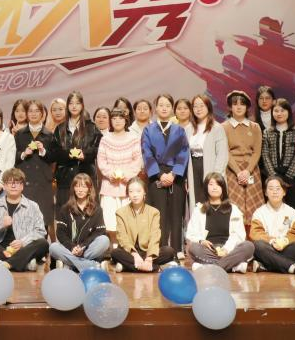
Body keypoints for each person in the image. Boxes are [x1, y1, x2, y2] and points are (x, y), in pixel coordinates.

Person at [141, 94, 189, 253]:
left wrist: (173, 174)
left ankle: (176, 250)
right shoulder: (148, 129)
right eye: (161, 105)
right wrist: (160, 175)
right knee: (158, 214)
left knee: (176, 214)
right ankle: (159, 251)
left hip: (176, 176)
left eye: (168, 105)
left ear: (172, 109)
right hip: (156, 175)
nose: (164, 108)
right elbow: (147, 154)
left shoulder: (179, 130)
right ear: (155, 108)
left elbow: (184, 153)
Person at [0, 167, 49, 271]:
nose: (13, 185)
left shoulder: (32, 206)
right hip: (1, 249)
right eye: (9, 183)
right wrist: (1, 225)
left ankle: (6, 264)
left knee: (43, 244)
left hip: (24, 248)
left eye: (17, 182)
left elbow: (41, 231)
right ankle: (23, 263)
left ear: (22, 186)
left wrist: (23, 242)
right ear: (4, 186)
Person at [185, 173, 255, 272]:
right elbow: (190, 234)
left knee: (249, 246)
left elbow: (239, 235)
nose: (214, 187)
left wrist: (226, 249)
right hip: (208, 250)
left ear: (223, 188)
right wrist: (201, 241)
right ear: (206, 187)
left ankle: (209, 266)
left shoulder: (233, 209)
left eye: (218, 184)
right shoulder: (199, 209)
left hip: (229, 250)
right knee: (194, 248)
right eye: (211, 184)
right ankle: (233, 267)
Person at [111, 177, 177, 272]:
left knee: (169, 251)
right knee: (115, 253)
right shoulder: (120, 212)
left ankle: (126, 267)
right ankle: (156, 268)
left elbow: (155, 236)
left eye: (138, 191)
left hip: (147, 252)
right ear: (128, 194)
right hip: (130, 252)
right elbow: (122, 237)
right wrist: (134, 254)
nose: (135, 195)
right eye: (131, 191)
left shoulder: (154, 212)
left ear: (144, 192)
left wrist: (149, 257)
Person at [250, 176, 295, 274]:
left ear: (284, 192)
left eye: (278, 189)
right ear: (265, 192)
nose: (274, 192)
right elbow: (256, 233)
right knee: (258, 246)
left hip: (286, 248)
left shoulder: (292, 212)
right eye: (271, 189)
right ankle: (293, 267)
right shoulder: (259, 212)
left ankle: (266, 266)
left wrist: (285, 241)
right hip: (268, 247)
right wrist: (272, 241)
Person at [97, 108, 142, 240]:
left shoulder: (133, 138)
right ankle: (113, 246)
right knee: (110, 221)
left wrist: (125, 175)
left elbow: (137, 160)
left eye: (120, 118)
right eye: (114, 118)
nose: (117, 121)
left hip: (128, 186)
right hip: (109, 185)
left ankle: (127, 247)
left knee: (129, 222)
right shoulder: (105, 139)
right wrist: (111, 174)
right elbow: (101, 161)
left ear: (125, 120)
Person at [13, 100, 59, 230]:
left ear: (42, 114)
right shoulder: (20, 134)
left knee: (42, 222)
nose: (33, 114)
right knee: (24, 221)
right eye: (30, 111)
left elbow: (54, 157)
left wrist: (43, 151)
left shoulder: (49, 135)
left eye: (37, 111)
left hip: (43, 182)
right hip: (25, 181)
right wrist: (23, 153)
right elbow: (12, 156)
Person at [49, 173, 109, 272]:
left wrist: (82, 247)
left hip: (87, 248)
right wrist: (72, 247)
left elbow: (99, 231)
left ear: (89, 189)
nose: (80, 190)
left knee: (104, 240)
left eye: (84, 187)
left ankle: (71, 265)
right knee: (53, 247)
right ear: (73, 188)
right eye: (77, 186)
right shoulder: (65, 209)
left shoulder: (97, 209)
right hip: (70, 249)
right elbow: (60, 233)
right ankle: (92, 266)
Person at [222, 90, 265, 225]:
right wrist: (238, 172)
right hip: (232, 170)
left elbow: (256, 152)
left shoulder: (255, 127)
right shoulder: (223, 127)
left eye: (242, 104)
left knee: (254, 205)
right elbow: (225, 152)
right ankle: (236, 235)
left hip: (251, 169)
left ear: (247, 107)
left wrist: (247, 171)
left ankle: (254, 235)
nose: (239, 107)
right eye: (235, 104)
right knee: (235, 205)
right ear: (230, 107)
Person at [52, 91, 101, 208]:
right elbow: (55, 152)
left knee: (87, 211)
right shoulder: (60, 128)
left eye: (77, 103)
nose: (74, 106)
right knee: (64, 212)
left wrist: (84, 155)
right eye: (71, 103)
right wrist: (68, 154)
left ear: (82, 105)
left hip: (86, 175)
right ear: (67, 106)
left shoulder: (92, 127)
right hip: (65, 178)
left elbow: (98, 149)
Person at [188, 95, 229, 222]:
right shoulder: (188, 128)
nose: (198, 109)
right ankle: (198, 229)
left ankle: (213, 230)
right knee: (197, 201)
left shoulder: (217, 127)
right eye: (195, 106)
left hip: (210, 168)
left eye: (202, 106)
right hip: (193, 168)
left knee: (211, 199)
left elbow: (222, 154)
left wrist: (216, 175)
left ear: (208, 107)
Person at [262, 98, 295, 211]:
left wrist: (288, 178)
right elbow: (265, 156)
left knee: (292, 210)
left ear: (288, 112)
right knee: (273, 210)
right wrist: (274, 177)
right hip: (273, 179)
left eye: (282, 110)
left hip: (293, 179)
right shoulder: (267, 132)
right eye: (276, 111)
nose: (279, 113)